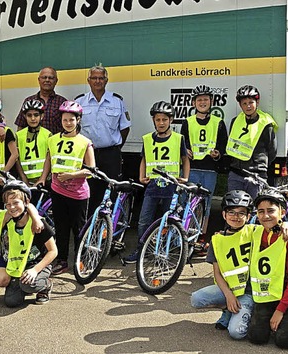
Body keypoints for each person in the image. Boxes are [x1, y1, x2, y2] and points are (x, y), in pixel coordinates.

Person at [124, 101, 189, 263]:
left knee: (169, 220)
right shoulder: (147, 139)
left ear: (171, 120)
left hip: (171, 186)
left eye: (164, 120)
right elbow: (144, 159)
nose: (161, 123)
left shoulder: (178, 138)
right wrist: (141, 176)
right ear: (153, 120)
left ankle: (164, 250)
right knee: (144, 220)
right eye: (158, 120)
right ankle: (141, 250)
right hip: (153, 185)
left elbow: (185, 159)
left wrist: (185, 177)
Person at [35, 101, 95, 275]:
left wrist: (71, 175)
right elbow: (49, 159)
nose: (68, 123)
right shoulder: (52, 140)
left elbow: (91, 170)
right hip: (57, 190)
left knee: (79, 228)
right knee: (61, 227)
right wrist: (42, 178)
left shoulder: (85, 142)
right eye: (65, 120)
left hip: (78, 193)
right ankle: (61, 260)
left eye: (71, 120)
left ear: (78, 120)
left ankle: (80, 258)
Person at [191, 190, 255, 339]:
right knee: (196, 299)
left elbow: (272, 225)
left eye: (241, 213)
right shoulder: (217, 239)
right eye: (231, 212)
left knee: (236, 333)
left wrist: (286, 226)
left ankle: (250, 311)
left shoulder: (254, 231)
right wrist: (228, 297)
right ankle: (228, 309)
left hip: (249, 292)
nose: (236, 217)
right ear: (224, 215)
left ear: (249, 216)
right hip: (229, 289)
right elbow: (217, 273)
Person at [247, 189, 288, 350]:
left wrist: (280, 310)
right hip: (269, 294)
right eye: (261, 212)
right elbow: (236, 230)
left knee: (284, 342)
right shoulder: (256, 232)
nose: (265, 216)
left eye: (271, 211)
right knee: (257, 338)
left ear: (282, 211)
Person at [75, 65, 131, 213]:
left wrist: (116, 149)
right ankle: (90, 226)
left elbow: (125, 128)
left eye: (101, 78)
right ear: (88, 81)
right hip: (87, 154)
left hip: (110, 154)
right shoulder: (80, 102)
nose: (97, 81)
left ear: (106, 80)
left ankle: (108, 228)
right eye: (94, 78)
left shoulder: (116, 101)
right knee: (88, 191)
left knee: (111, 191)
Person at [180, 84, 228, 239]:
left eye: (205, 99)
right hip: (192, 168)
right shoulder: (187, 122)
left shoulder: (218, 122)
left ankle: (201, 236)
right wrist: (186, 150)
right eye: (199, 100)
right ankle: (184, 233)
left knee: (205, 204)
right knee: (187, 202)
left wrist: (218, 153)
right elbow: (183, 142)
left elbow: (223, 144)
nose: (202, 102)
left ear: (211, 101)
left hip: (209, 169)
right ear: (194, 102)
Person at [2, 180, 58, 307]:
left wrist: (34, 270)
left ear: (26, 202)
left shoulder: (39, 223)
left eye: (16, 203)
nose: (12, 207)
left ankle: (45, 285)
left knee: (28, 285)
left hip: (37, 264)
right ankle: (23, 286)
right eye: (8, 204)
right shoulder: (8, 221)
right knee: (11, 302)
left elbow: (53, 251)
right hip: (18, 266)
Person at [225, 85, 277, 199]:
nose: (248, 106)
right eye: (244, 103)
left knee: (255, 210)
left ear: (257, 102)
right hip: (236, 173)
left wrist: (259, 165)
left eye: (251, 102)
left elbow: (272, 150)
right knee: (234, 209)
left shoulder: (266, 124)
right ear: (240, 105)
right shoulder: (235, 121)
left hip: (256, 175)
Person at [14, 67, 67, 134]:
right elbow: (21, 126)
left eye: (51, 78)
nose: (47, 80)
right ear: (39, 80)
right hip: (33, 143)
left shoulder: (62, 102)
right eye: (44, 77)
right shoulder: (29, 101)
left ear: (56, 81)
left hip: (55, 143)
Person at [15, 99, 52, 186]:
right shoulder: (18, 135)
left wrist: (43, 178)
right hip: (25, 180)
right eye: (29, 115)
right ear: (24, 116)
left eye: (36, 115)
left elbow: (49, 158)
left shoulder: (48, 135)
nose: (33, 118)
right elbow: (17, 159)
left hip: (44, 180)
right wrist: (23, 178)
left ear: (42, 116)